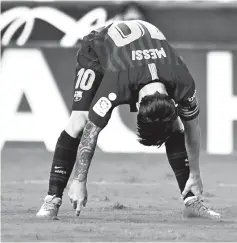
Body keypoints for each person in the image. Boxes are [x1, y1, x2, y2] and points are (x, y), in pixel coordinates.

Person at [36, 20, 221, 219]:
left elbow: (192, 127)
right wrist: (79, 181)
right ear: (136, 105)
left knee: (174, 125)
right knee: (79, 121)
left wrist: (195, 173)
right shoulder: (117, 81)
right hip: (97, 51)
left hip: (140, 51)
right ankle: (52, 199)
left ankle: (192, 201)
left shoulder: (182, 80)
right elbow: (92, 129)